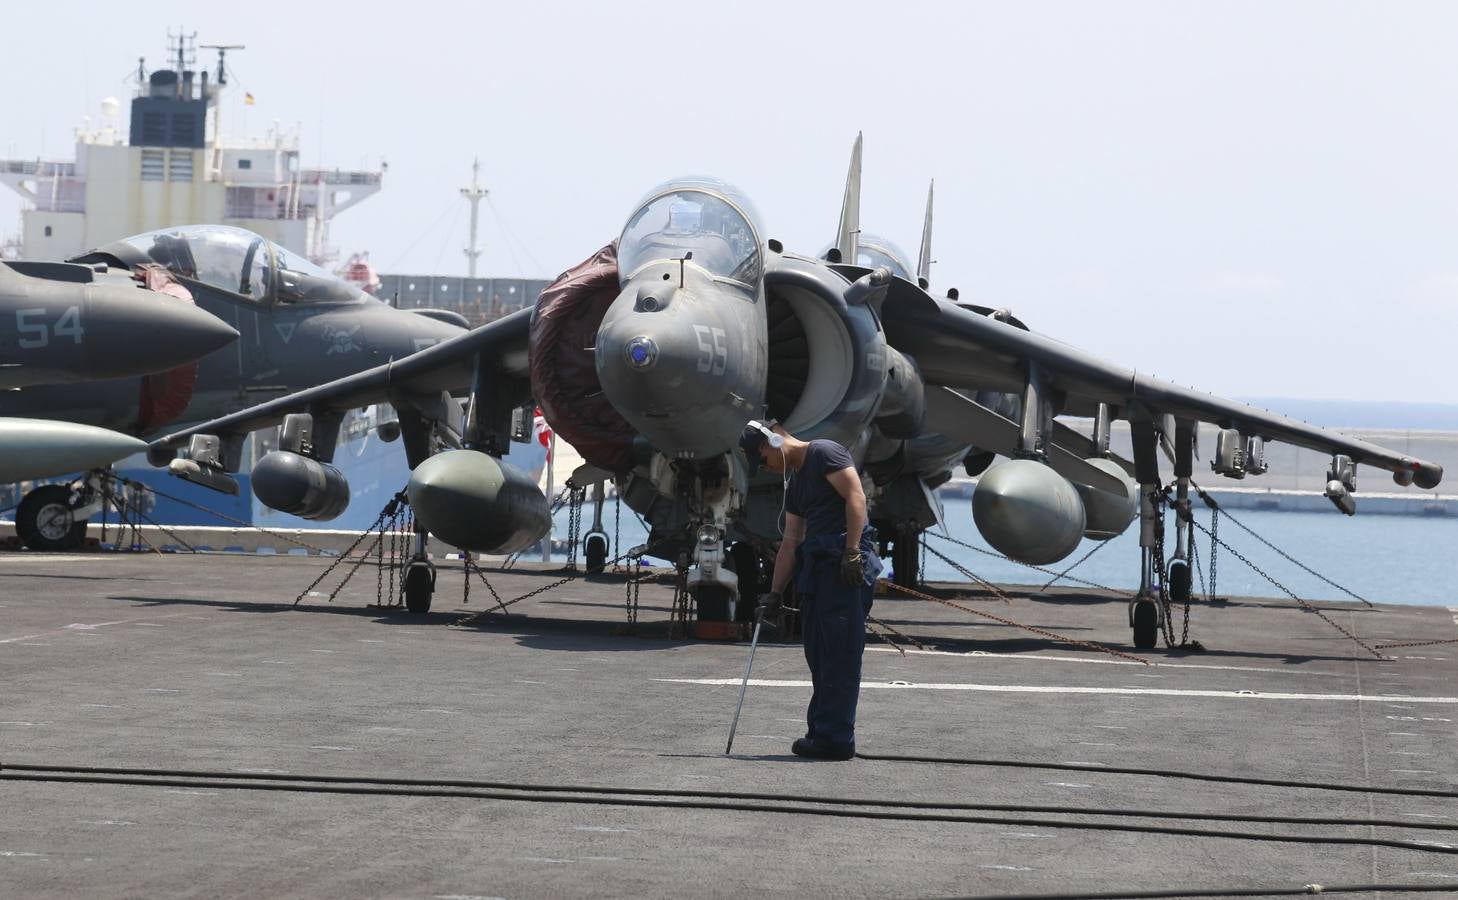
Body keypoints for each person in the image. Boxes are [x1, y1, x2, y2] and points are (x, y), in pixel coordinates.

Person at [738, 419, 883, 761]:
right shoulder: (797, 483)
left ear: (772, 441)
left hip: (843, 571)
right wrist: (774, 593)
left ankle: (836, 739)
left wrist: (852, 551)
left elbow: (855, 496)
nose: (766, 469)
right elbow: (791, 540)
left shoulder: (823, 453)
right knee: (819, 656)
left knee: (840, 656)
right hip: (818, 574)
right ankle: (822, 731)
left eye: (762, 460)